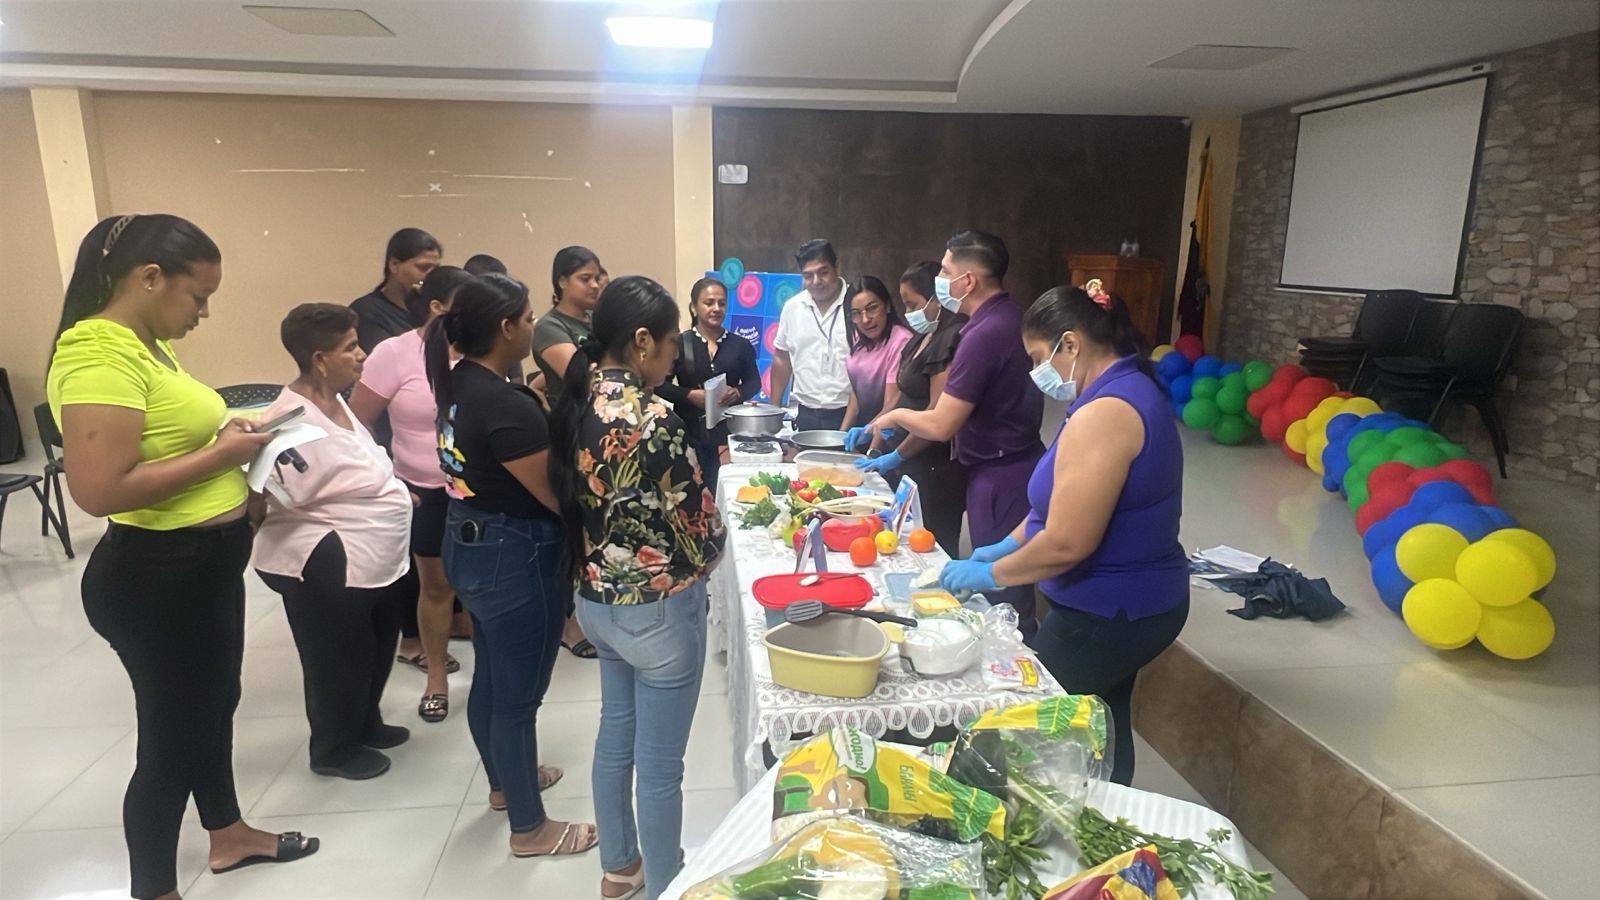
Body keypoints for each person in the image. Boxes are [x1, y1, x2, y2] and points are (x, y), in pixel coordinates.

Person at [46, 214, 317, 900]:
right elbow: (98, 490)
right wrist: (223, 454)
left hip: (202, 567)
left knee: (215, 705)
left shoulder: (146, 346)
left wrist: (233, 441)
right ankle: (153, 890)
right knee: (171, 740)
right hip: (156, 578)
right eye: (198, 296)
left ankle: (227, 834)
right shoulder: (98, 355)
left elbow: (166, 439)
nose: (203, 312)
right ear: (149, 278)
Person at [939, 287, 1187, 785]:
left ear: (1070, 344)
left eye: (1037, 358)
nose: (1037, 372)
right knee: (1104, 725)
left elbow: (1068, 542)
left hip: (1112, 610)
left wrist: (992, 573)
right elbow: (1052, 504)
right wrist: (1008, 544)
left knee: (1012, 737)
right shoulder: (1113, 391)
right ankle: (1110, 814)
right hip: (1127, 603)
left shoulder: (1107, 413)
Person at [549, 275, 726, 900]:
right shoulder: (653, 420)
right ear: (643, 340)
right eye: (672, 342)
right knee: (659, 767)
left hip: (595, 601)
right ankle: (666, 886)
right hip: (656, 610)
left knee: (615, 734)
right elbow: (699, 528)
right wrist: (708, 555)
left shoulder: (573, 405)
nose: (675, 355)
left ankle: (620, 868)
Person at [426, 273, 595, 857]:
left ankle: (505, 784)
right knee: (517, 700)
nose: (533, 326)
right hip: (513, 554)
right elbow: (557, 495)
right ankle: (530, 829)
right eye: (526, 318)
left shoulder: (459, 382)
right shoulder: (502, 402)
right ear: (504, 328)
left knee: (493, 677)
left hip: (470, 541)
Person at [251, 304, 414, 780]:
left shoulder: (337, 400)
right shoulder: (286, 419)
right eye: (351, 348)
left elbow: (357, 467)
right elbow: (273, 492)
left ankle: (365, 722)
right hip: (321, 553)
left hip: (373, 548)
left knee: (378, 638)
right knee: (337, 654)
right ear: (320, 360)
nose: (362, 355)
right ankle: (333, 748)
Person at [870, 231, 1044, 638]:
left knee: (1003, 594)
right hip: (1011, 462)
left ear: (968, 281)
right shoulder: (1007, 316)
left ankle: (1015, 664)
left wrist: (893, 417)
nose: (941, 281)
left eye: (946, 272)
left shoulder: (983, 334)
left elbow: (941, 423)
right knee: (1005, 579)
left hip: (1001, 471)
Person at [351, 266, 476, 723]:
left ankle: (491, 680)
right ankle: (436, 678)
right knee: (436, 587)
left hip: (477, 490)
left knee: (480, 587)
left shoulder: (479, 350)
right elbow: (356, 422)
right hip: (424, 489)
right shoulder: (395, 353)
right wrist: (388, 477)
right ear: (437, 307)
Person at [852, 262, 968, 555]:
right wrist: (873, 428)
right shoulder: (920, 337)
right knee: (899, 542)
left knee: (931, 545)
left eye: (913, 304)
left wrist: (897, 455)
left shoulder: (950, 339)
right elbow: (902, 396)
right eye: (905, 305)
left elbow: (934, 412)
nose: (908, 312)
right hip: (908, 461)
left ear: (936, 300)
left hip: (933, 466)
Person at [530, 244, 603, 658]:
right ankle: (567, 624)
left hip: (600, 434)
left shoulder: (592, 321)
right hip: (571, 439)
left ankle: (591, 610)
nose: (594, 286)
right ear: (562, 281)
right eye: (584, 278)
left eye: (597, 278)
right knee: (570, 529)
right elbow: (585, 377)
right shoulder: (549, 327)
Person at [656, 277, 760, 495]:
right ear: (694, 307)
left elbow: (754, 382)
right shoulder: (679, 344)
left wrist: (737, 392)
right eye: (709, 302)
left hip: (730, 433)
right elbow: (659, 385)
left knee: (732, 490)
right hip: (689, 432)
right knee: (694, 491)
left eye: (721, 303)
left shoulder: (740, 345)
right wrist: (689, 395)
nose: (716, 308)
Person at [769, 239, 851, 431]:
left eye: (823, 272)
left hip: (851, 412)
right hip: (807, 414)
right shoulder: (792, 308)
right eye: (808, 275)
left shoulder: (856, 304)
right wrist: (773, 408)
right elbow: (782, 357)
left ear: (837, 267)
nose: (816, 282)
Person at [838, 276, 913, 432]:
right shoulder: (857, 339)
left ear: (887, 306)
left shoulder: (901, 340)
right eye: (856, 313)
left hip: (890, 431)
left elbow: (892, 404)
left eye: (872, 308)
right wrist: (840, 435)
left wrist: (868, 435)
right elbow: (856, 393)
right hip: (866, 427)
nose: (865, 319)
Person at [350, 228, 442, 354]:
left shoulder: (433, 309)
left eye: (435, 269)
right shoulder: (366, 312)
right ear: (394, 265)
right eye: (423, 268)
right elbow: (386, 359)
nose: (432, 275)